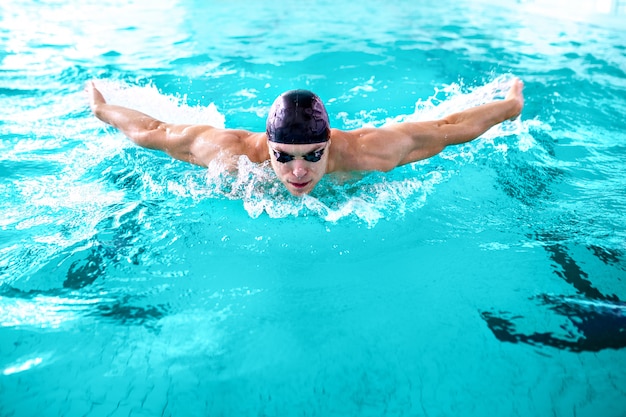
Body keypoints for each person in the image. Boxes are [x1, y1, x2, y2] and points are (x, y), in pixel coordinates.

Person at [88, 79, 524, 196]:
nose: (298, 171)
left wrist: (509, 107)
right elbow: (153, 131)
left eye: (314, 155)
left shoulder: (369, 151)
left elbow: (448, 130)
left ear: (331, 143)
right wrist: (102, 109)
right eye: (283, 157)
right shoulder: (228, 151)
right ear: (267, 146)